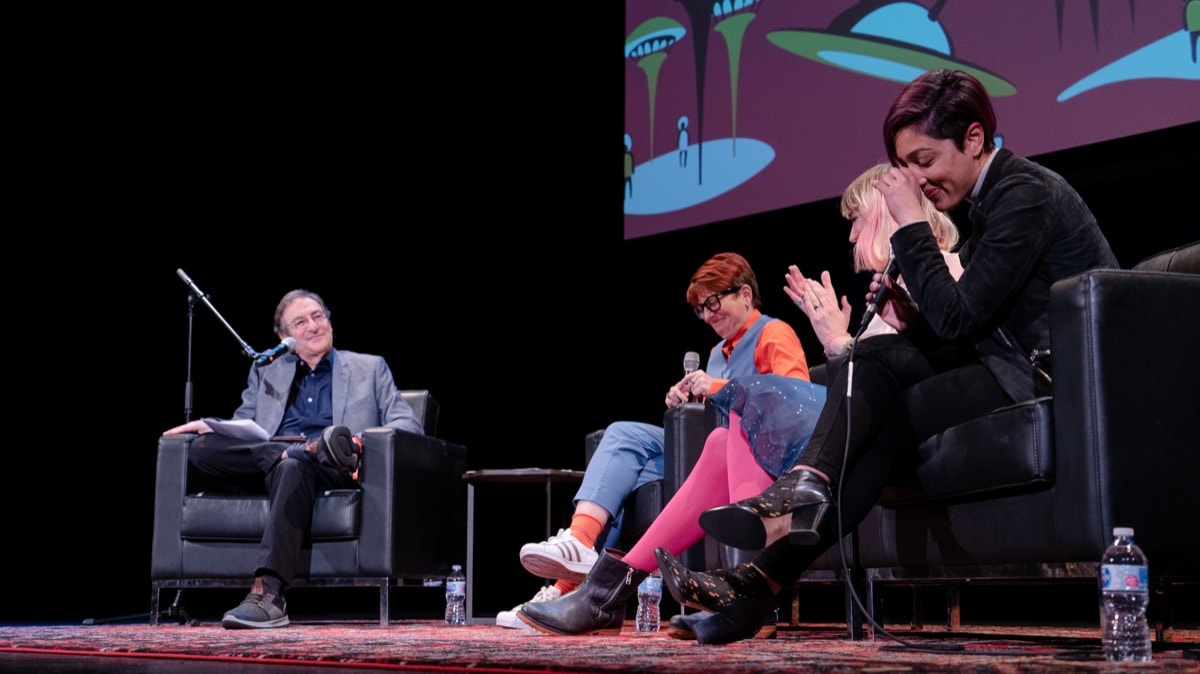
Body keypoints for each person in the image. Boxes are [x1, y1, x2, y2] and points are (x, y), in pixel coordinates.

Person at [654, 68, 1120, 645]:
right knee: (872, 382)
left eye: (926, 161)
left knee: (881, 398)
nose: (919, 180)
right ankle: (764, 573)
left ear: (973, 139)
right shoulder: (993, 203)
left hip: (1052, 376)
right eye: (909, 167)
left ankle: (765, 564)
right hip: (1006, 366)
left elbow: (958, 319)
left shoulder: (1024, 196)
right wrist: (902, 304)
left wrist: (907, 227)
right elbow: (957, 322)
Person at [514, 163, 959, 639]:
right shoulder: (884, 285)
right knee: (713, 438)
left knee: (742, 418)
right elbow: (859, 378)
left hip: (850, 438)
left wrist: (835, 342)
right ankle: (612, 589)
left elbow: (806, 396)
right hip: (836, 430)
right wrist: (836, 342)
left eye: (857, 219)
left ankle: (656, 589)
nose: (850, 234)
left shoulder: (942, 269)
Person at [495, 252, 812, 630]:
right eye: (700, 309)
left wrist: (715, 387)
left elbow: (796, 400)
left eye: (714, 302)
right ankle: (580, 550)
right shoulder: (715, 354)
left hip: (753, 453)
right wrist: (690, 400)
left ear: (745, 294)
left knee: (672, 455)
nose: (708, 315)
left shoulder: (772, 333)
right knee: (622, 442)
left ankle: (582, 591)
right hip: (704, 445)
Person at [163, 289, 422, 629]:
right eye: (301, 322)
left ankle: (268, 595)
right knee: (202, 448)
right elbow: (247, 424)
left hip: (334, 464)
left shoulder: (369, 367)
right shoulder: (267, 372)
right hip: (274, 458)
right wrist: (214, 428)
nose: (314, 326)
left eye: (318, 316)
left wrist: (359, 443)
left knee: (294, 464)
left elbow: (409, 423)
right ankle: (300, 449)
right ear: (284, 337)